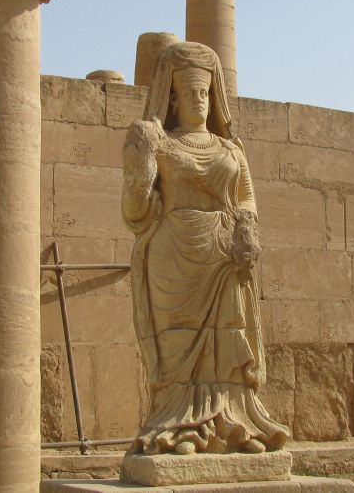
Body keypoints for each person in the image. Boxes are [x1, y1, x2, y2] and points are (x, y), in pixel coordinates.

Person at [121, 42, 289, 456]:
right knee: (178, 349)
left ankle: (234, 426)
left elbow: (246, 196)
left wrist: (246, 226)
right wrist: (139, 178)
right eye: (190, 92)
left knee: (229, 343)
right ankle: (177, 430)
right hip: (173, 256)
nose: (198, 100)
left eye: (205, 93)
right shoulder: (157, 142)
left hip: (224, 254)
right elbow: (134, 212)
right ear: (173, 96)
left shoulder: (231, 149)